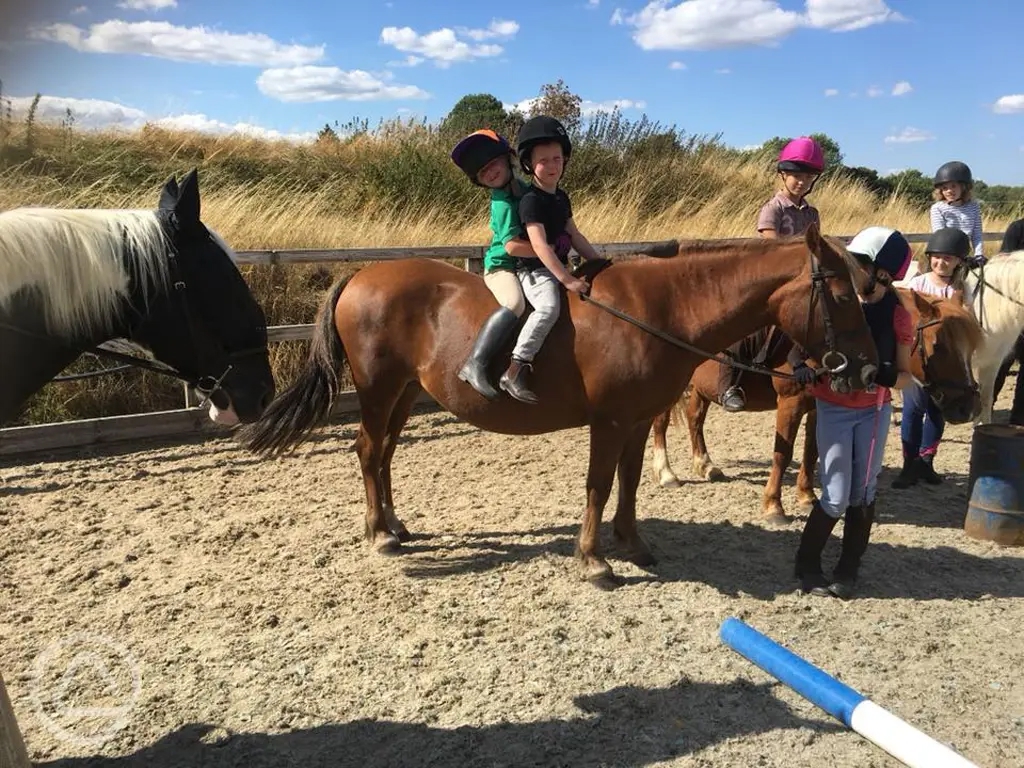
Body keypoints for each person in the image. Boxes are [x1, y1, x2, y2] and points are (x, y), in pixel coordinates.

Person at [791, 226, 915, 599]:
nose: (851, 270)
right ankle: (807, 565)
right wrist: (800, 366)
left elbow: (906, 376)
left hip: (873, 411)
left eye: (859, 264)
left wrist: (887, 376)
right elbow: (801, 342)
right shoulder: (840, 303)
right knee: (835, 493)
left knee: (864, 491)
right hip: (835, 408)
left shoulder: (898, 316)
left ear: (882, 273)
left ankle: (848, 568)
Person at [498, 115, 599, 404]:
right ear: (529, 165)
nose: (553, 166)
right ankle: (516, 366)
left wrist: (600, 262)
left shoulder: (561, 198)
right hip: (535, 272)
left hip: (556, 267)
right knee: (548, 308)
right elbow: (540, 246)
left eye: (557, 159)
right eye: (543, 161)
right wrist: (567, 279)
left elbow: (575, 235)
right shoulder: (531, 201)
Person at [718, 137, 824, 412]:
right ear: (783, 175)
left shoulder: (812, 213)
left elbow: (815, 246)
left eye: (808, 177)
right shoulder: (773, 209)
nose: (802, 182)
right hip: (773, 279)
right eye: (797, 176)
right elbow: (772, 248)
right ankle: (729, 384)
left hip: (802, 281)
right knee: (748, 326)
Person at [449, 129, 538, 400]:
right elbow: (511, 246)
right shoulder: (501, 203)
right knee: (515, 304)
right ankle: (476, 363)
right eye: (482, 172)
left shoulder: (526, 190)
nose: (490, 173)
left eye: (493, 164)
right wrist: (549, 252)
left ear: (507, 160)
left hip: (526, 265)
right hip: (502, 267)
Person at [892, 228, 973, 488]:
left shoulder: (961, 290)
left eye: (948, 258)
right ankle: (909, 463)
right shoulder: (918, 284)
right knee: (913, 409)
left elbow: (966, 323)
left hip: (945, 362)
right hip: (921, 358)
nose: (941, 262)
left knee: (937, 411)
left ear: (959, 261)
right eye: (936, 257)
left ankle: (927, 460)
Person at [992, 217, 1024, 425]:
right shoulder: (1018, 228)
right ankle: (986, 405)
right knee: (1002, 361)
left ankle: (1019, 416)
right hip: (1012, 306)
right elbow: (1003, 262)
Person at [929, 161, 986, 264]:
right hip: (945, 254)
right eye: (945, 188)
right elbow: (940, 235)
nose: (949, 191)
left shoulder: (973, 207)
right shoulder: (937, 208)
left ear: (963, 187)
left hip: (964, 254)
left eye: (953, 186)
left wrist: (979, 254)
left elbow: (976, 234)